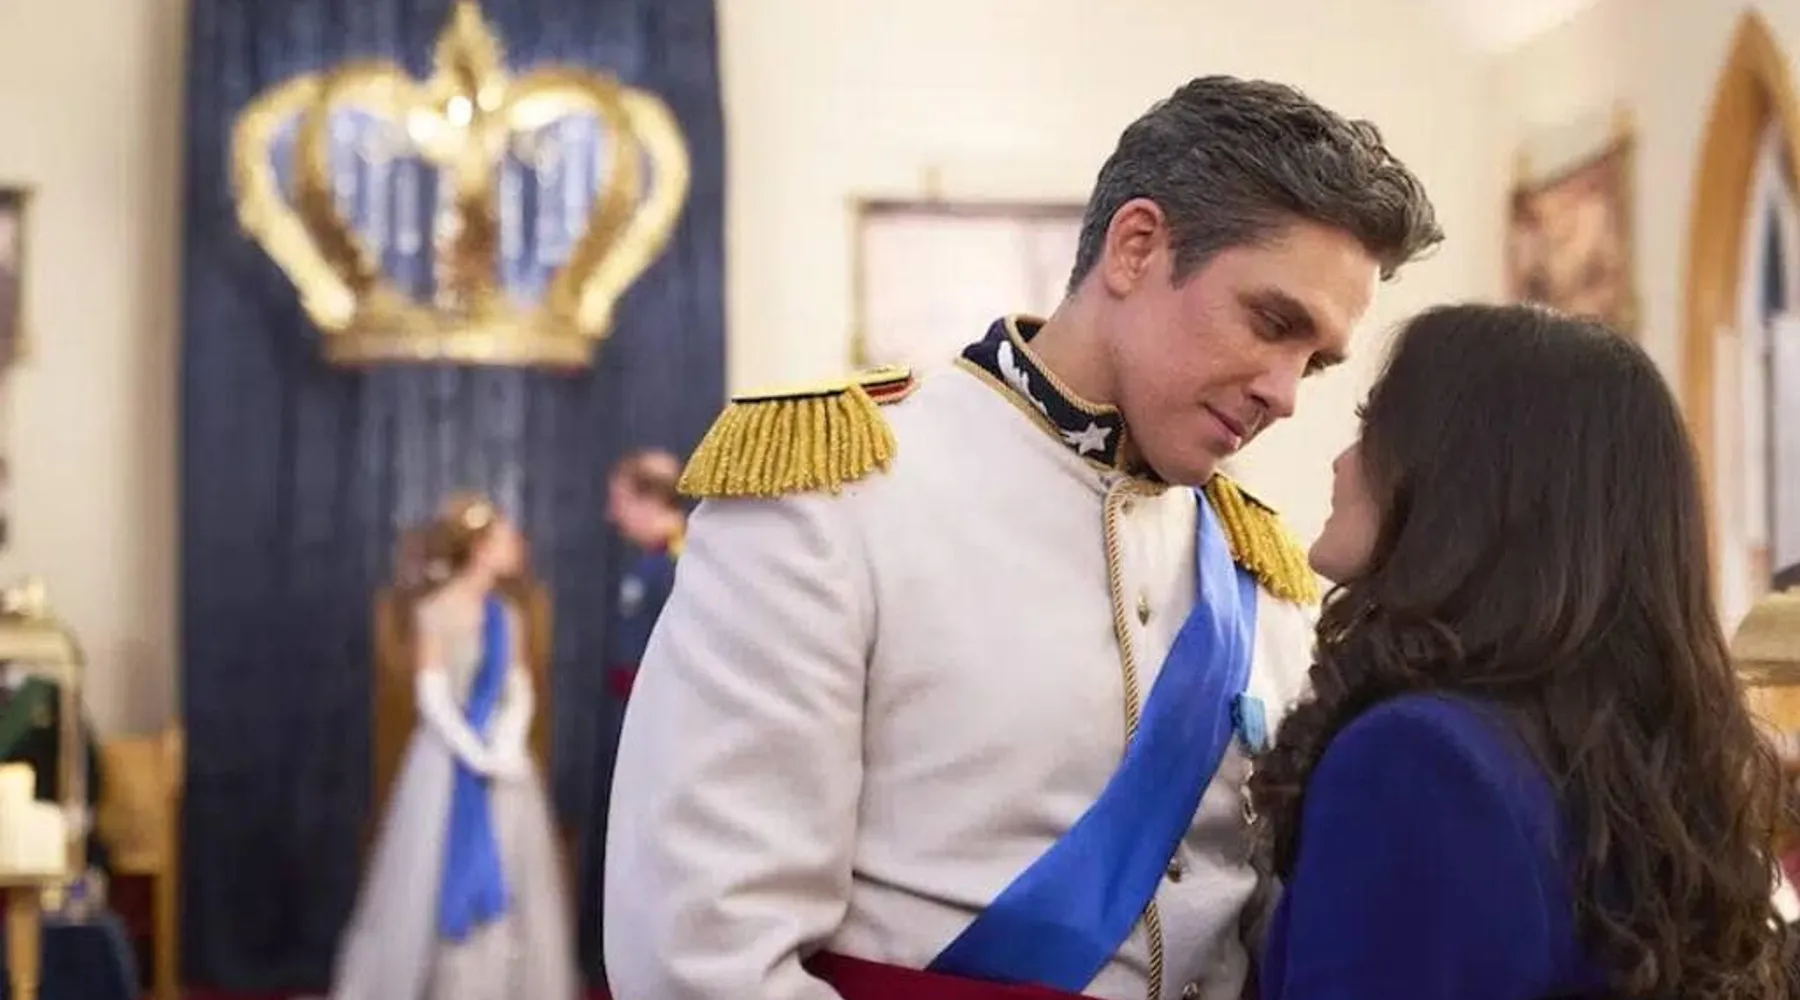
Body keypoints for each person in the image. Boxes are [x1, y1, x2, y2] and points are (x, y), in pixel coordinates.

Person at [604, 75, 1442, 1000]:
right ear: (1136, 247)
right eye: (1272, 323)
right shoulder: (837, 498)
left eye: (1313, 363)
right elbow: (701, 953)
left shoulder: (1261, 574)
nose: (1283, 394)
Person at [1248, 304, 1796, 1000]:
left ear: (1467, 479)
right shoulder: (1618, 763)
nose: (1341, 462)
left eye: (1372, 427)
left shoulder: (1415, 759)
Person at [330, 495, 576, 1000]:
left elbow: (518, 688)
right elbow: (432, 695)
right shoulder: (434, 612)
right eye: (505, 539)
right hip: (446, 763)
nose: (516, 547)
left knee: (514, 870)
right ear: (480, 549)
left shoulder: (507, 615)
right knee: (428, 874)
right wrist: (473, 751)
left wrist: (507, 741)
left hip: (504, 764)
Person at [603, 448, 687, 701]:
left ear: (651, 501)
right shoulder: (652, 562)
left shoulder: (681, 565)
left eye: (620, 502)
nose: (612, 515)